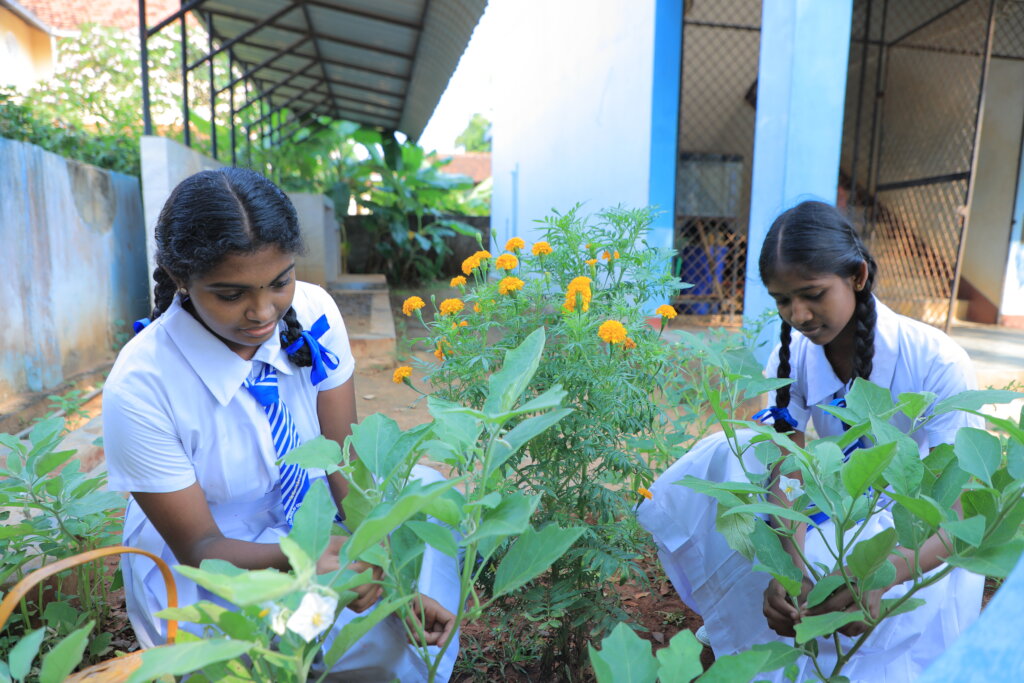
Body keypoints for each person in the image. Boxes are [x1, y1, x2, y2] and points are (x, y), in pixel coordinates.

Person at [104, 167, 459, 681]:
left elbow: (347, 470)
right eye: (231, 294)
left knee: (428, 494)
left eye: (280, 282)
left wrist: (389, 574)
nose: (262, 311)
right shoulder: (141, 384)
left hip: (313, 520)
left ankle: (372, 641)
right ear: (183, 279)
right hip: (225, 563)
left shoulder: (314, 311)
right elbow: (201, 550)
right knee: (327, 642)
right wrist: (308, 561)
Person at [637, 200, 983, 681]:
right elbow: (789, 468)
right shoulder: (797, 355)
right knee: (724, 456)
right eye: (782, 300)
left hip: (919, 539)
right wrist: (790, 571)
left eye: (813, 294)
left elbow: (961, 509)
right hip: (845, 508)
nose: (797, 314)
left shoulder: (938, 363)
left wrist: (880, 576)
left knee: (864, 614)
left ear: (858, 276)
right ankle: (742, 635)